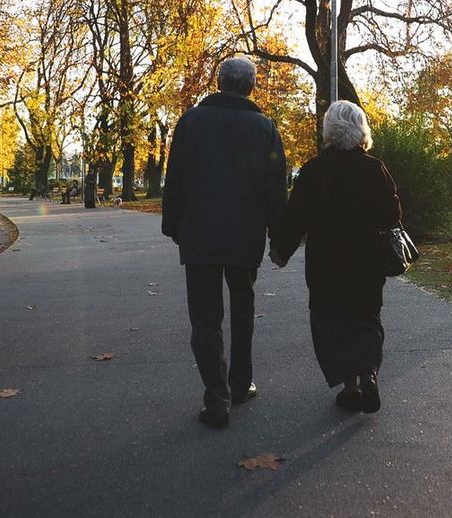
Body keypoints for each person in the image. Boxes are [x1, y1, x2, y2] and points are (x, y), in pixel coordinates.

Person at [161, 57, 288, 428]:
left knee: (205, 319)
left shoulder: (191, 122)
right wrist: (278, 237)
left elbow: (176, 177)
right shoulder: (265, 128)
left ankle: (216, 396)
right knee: (243, 311)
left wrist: (173, 225)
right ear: (250, 86)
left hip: (200, 233)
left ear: (219, 82)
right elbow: (274, 189)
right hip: (244, 235)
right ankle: (239, 382)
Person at [269, 100, 401, 414]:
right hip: (366, 262)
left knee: (330, 322)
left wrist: (281, 250)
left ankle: (350, 387)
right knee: (366, 318)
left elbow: (295, 215)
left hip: (326, 262)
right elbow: (393, 213)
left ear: (329, 131)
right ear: (361, 131)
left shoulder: (315, 170)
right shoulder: (375, 168)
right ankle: (368, 371)